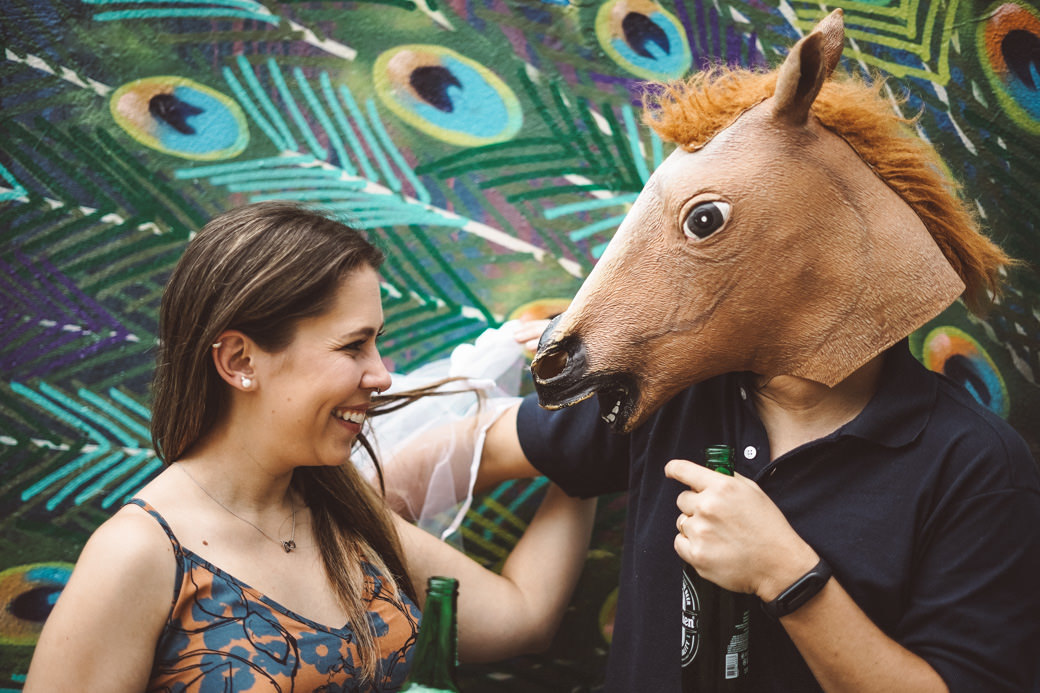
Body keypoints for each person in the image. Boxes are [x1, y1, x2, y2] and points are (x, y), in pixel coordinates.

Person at [23, 200, 596, 692]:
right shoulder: (140, 554)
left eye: (377, 344)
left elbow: (523, 618)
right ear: (240, 361)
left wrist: (593, 448)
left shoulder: (342, 510)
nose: (381, 376)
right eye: (353, 347)